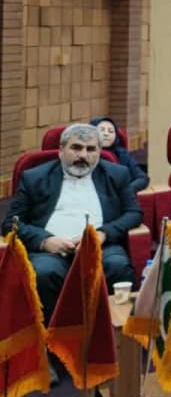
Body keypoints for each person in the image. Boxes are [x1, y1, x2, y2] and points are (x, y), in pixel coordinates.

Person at [5, 124, 140, 321]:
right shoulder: (35, 177)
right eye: (76, 148)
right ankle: (52, 337)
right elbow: (11, 223)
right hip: (50, 251)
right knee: (44, 273)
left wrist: (102, 234)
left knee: (117, 266)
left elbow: (133, 213)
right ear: (61, 150)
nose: (83, 155)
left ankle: (115, 334)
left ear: (99, 152)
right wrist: (45, 241)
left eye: (91, 149)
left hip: (101, 246)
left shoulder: (116, 174)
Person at [90, 117, 148, 192]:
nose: (106, 134)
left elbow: (142, 178)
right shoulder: (87, 154)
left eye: (111, 131)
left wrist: (126, 190)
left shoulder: (122, 154)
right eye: (102, 130)